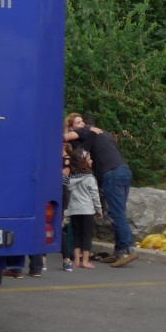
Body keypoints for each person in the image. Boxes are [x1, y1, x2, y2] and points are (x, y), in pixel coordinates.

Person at [65, 113, 139, 267]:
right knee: (120, 211)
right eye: (77, 123)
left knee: (116, 213)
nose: (80, 125)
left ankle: (128, 250)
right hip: (124, 171)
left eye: (81, 122)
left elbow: (64, 138)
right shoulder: (104, 134)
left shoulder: (86, 130)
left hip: (112, 174)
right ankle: (119, 251)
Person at [65, 148, 102, 269]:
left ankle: (76, 260)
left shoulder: (70, 178)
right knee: (87, 235)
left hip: (74, 210)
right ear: (83, 161)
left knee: (76, 235)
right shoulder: (89, 178)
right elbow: (95, 195)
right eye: (89, 158)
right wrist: (99, 210)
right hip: (87, 210)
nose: (91, 160)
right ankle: (85, 261)